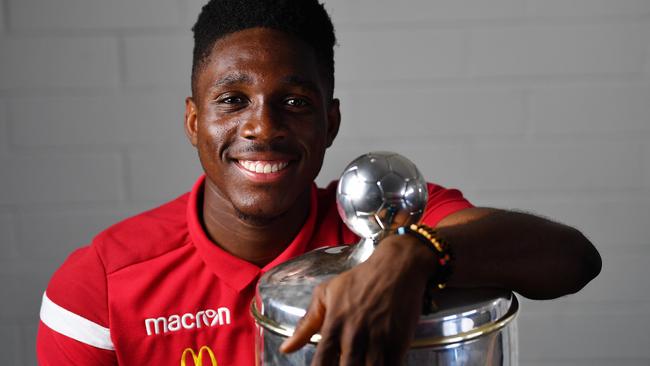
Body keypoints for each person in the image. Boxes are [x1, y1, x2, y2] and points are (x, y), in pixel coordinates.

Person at [36, 0, 602, 365]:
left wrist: (410, 257)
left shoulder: (387, 222)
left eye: (294, 102)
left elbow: (571, 260)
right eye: (233, 101)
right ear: (193, 121)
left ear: (330, 122)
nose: (262, 126)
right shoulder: (100, 287)